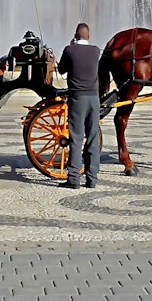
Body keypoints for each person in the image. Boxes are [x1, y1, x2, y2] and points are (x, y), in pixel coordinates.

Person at [57, 22, 102, 189]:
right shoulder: (96, 50)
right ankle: (92, 179)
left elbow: (61, 70)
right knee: (92, 138)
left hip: (78, 98)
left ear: (75, 36)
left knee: (76, 138)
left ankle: (74, 179)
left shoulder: (70, 50)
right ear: (88, 36)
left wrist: (71, 46)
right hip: (94, 99)